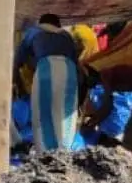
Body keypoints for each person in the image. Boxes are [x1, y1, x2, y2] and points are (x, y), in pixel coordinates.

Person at [14, 14, 83, 152]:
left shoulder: (34, 32)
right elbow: (76, 63)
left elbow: (18, 60)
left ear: (41, 23)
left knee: (43, 109)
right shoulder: (67, 36)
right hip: (69, 71)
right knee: (65, 110)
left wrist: (17, 83)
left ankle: (45, 149)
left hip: (47, 68)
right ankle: (64, 148)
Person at [83, 65, 132, 158]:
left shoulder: (105, 76)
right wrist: (94, 120)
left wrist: (93, 123)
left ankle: (128, 157)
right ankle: (131, 156)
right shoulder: (107, 77)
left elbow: (107, 107)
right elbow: (107, 107)